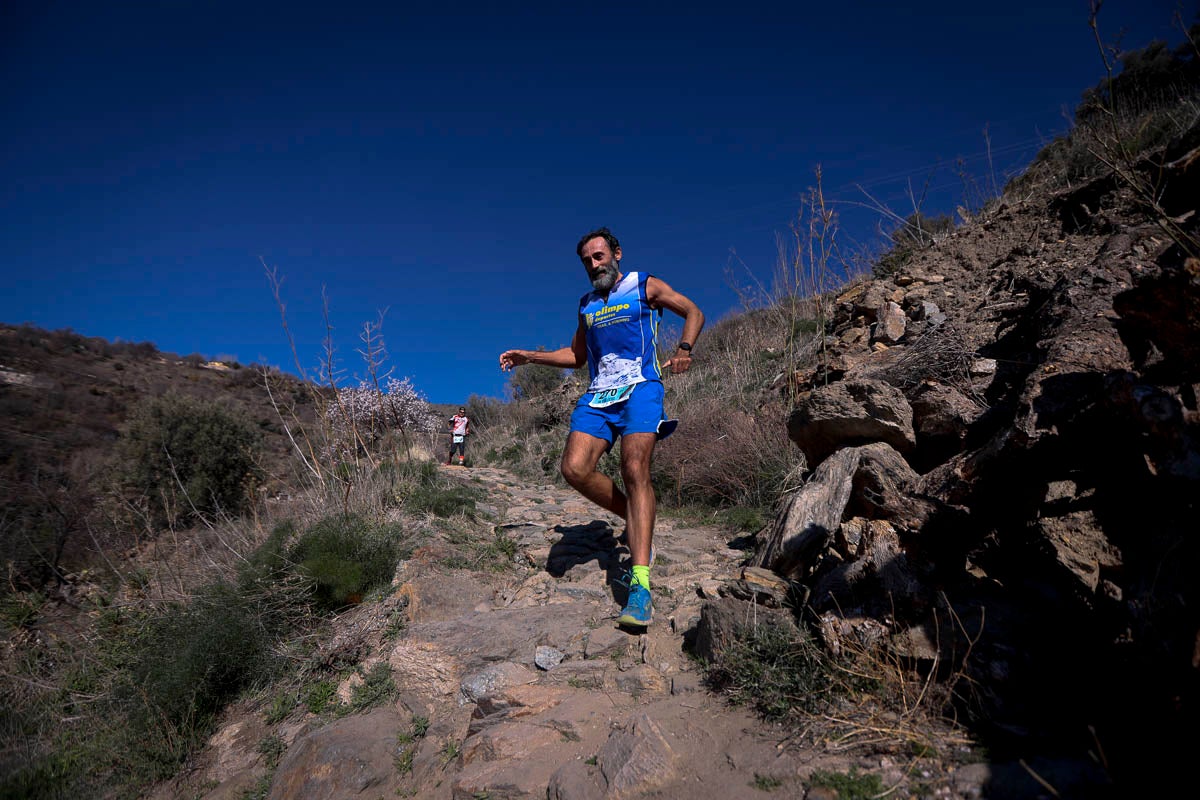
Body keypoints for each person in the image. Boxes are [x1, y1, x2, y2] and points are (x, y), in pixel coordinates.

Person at [499, 227, 704, 627]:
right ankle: (637, 518)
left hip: (641, 388)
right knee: (574, 468)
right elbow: (577, 356)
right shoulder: (587, 304)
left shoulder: (644, 285)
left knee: (634, 468)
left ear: (616, 254)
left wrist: (684, 349)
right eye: (587, 261)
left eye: (599, 256)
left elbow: (693, 311)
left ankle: (640, 586)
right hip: (598, 395)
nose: (594, 265)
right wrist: (531, 357)